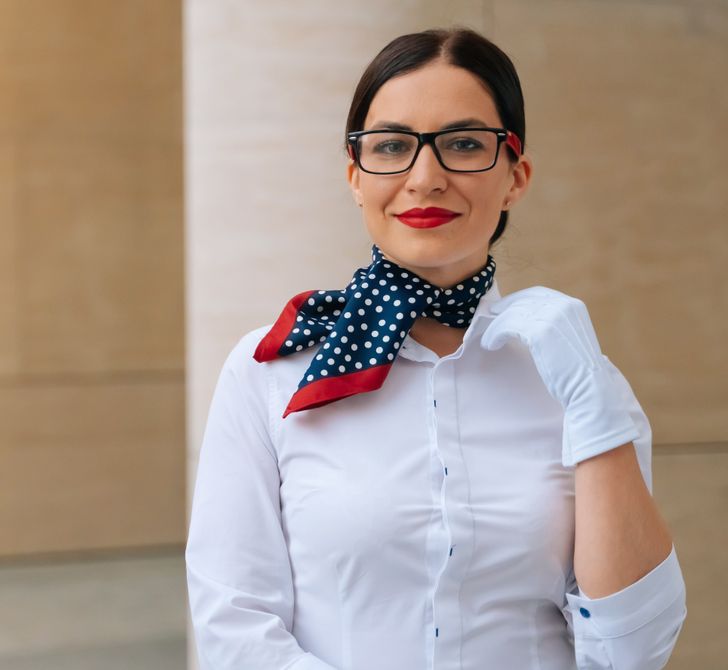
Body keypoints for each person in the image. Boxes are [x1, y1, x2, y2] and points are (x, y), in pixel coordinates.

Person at [185, 27, 687, 670]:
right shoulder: (269, 370)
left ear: (516, 177)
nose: (425, 178)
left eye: (465, 144)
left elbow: (632, 651)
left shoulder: (578, 378)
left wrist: (590, 392)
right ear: (355, 176)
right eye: (392, 146)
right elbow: (235, 626)